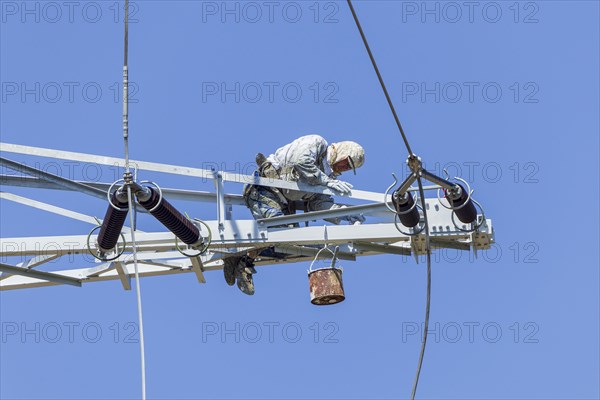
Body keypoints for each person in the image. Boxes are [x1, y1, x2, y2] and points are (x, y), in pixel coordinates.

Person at [224, 134, 366, 295]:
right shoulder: (317, 144)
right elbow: (300, 160)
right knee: (281, 235)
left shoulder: (328, 176)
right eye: (346, 163)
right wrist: (326, 182)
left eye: (348, 168)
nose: (344, 168)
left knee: (288, 247)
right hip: (263, 190)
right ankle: (236, 253)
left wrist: (345, 213)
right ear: (341, 152)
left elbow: (318, 204)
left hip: (284, 203)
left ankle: (241, 258)